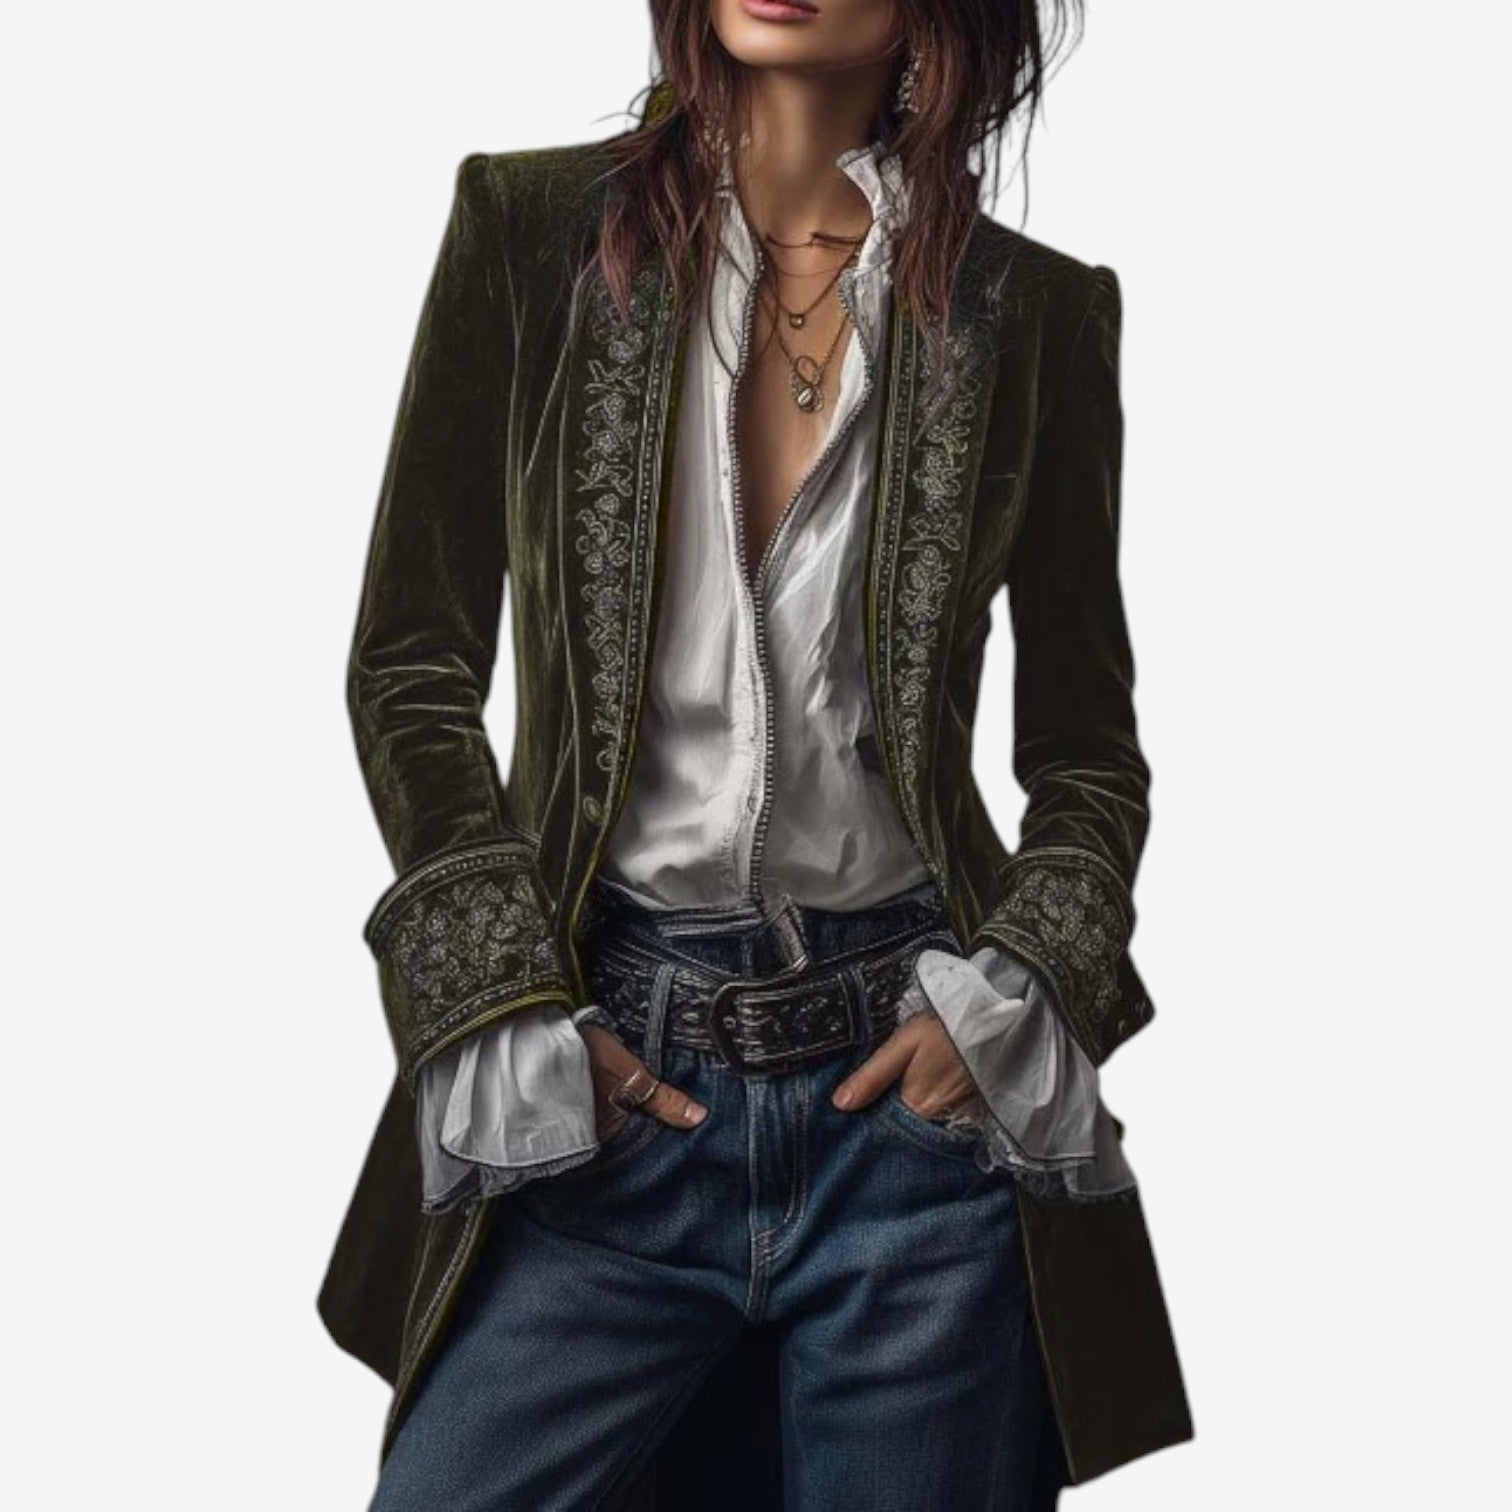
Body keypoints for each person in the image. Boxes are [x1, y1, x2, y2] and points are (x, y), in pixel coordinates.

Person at [318, 2, 1193, 1507]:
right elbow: (410, 663)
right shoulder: (533, 232)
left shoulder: (1032, 312)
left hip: (909, 1119)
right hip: (602, 1089)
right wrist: (507, 1000)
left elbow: (1086, 754)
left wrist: (1017, 994)